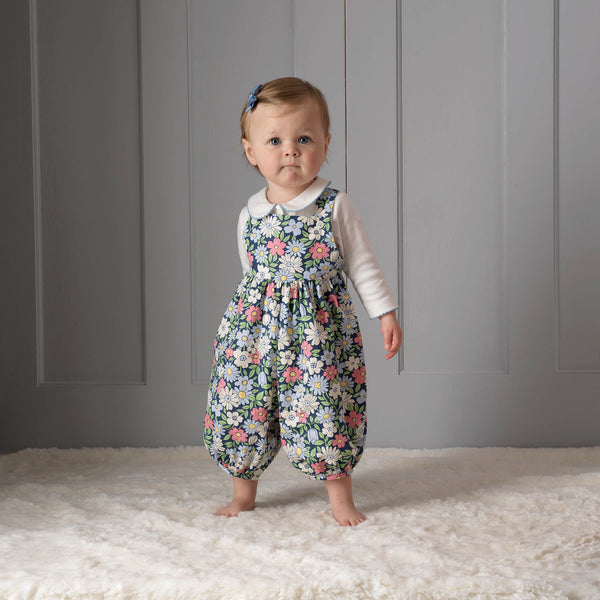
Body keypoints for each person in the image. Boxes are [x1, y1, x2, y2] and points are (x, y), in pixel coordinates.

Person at [203, 77, 402, 526]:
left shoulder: (333, 206)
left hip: (317, 335)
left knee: (326, 406)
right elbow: (251, 276)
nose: (290, 151)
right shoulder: (250, 214)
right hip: (254, 334)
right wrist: (243, 328)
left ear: (325, 145)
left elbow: (362, 264)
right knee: (243, 404)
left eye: (304, 139)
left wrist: (385, 313)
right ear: (251, 152)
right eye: (275, 141)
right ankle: (242, 494)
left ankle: (341, 499)